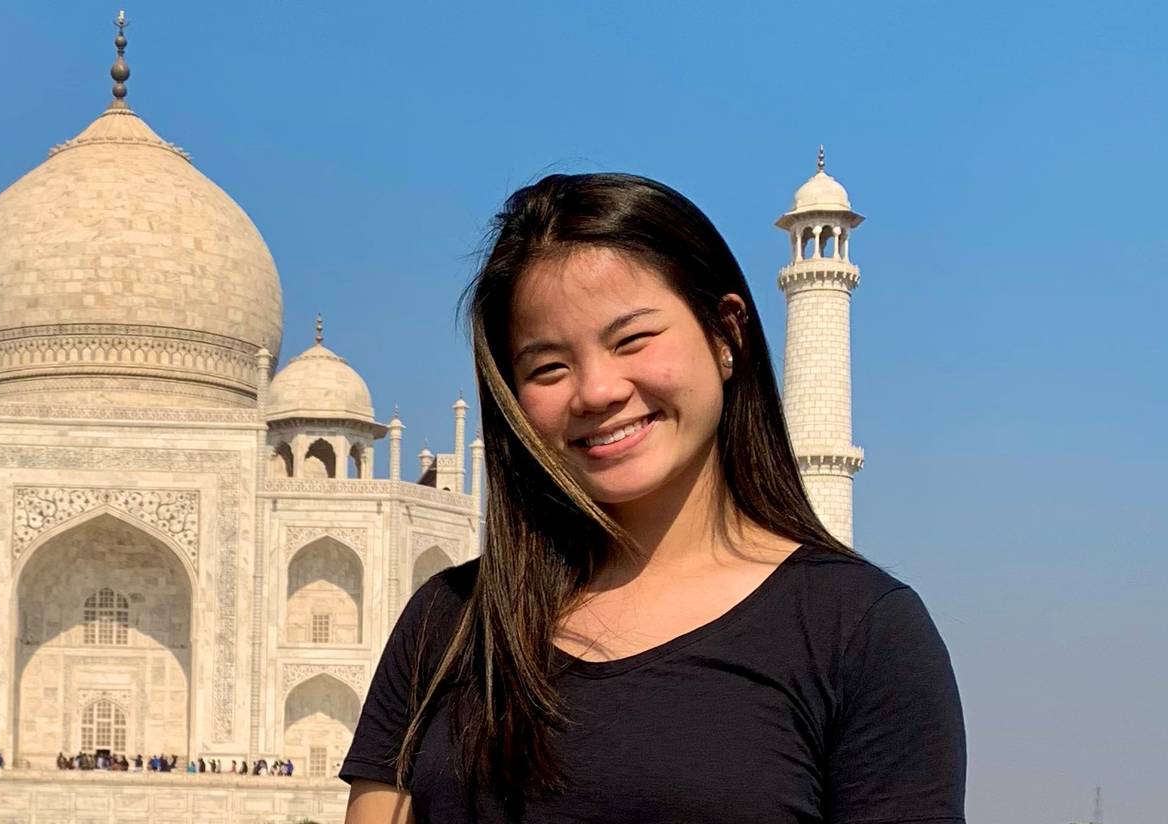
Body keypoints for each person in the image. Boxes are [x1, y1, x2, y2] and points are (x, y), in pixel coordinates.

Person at [340, 173, 966, 822]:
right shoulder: (450, 625)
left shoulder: (856, 633)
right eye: (548, 366)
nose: (598, 391)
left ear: (726, 336)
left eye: (632, 339)